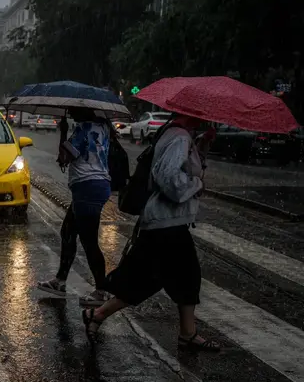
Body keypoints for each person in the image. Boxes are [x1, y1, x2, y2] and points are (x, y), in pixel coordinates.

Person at [82, 115, 221, 352]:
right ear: (192, 113)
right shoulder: (179, 137)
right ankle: (97, 314)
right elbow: (170, 181)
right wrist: (198, 185)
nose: (208, 117)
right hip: (165, 222)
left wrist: (202, 149)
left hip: (167, 222)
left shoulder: (180, 136)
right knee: (151, 279)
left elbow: (183, 169)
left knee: (180, 277)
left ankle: (187, 334)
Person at [37, 107, 111, 306]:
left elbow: (64, 157)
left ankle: (102, 291)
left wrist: (62, 131)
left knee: (89, 242)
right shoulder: (103, 126)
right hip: (96, 186)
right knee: (68, 232)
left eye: (72, 110)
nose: (69, 113)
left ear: (81, 110)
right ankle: (60, 281)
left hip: (88, 188)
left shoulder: (82, 128)